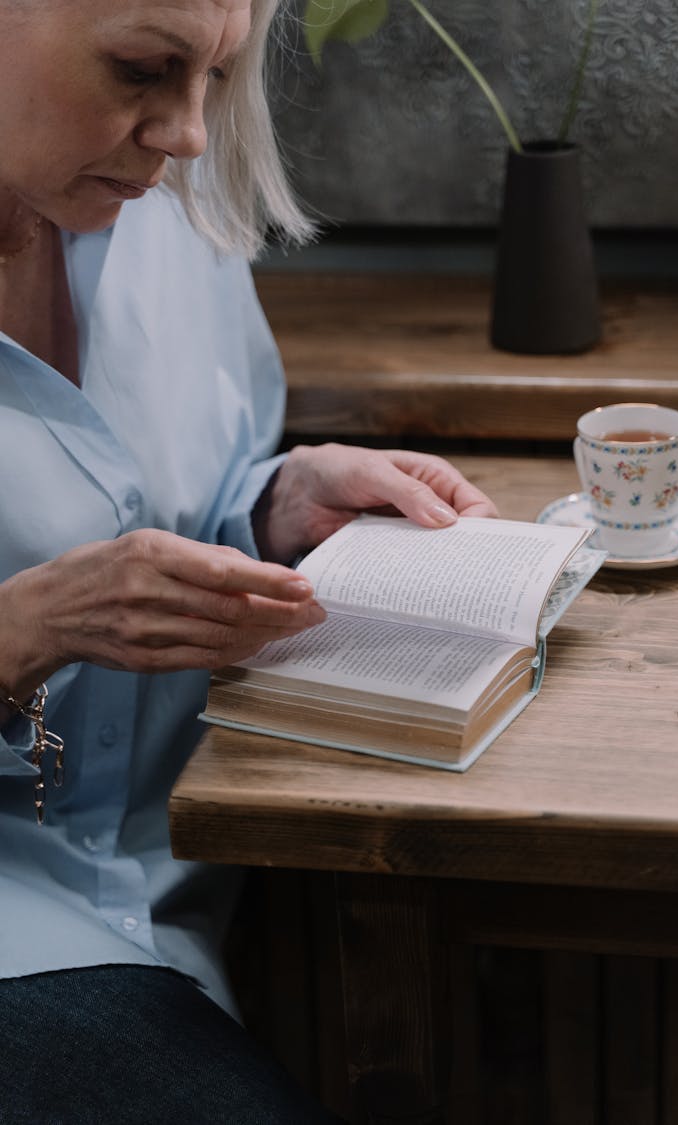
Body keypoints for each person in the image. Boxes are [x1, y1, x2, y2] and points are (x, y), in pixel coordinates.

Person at [0, 0, 498, 1121]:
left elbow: (156, 502)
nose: (187, 134)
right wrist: (21, 631)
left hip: (177, 915)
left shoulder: (164, 214)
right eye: (142, 68)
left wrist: (275, 502)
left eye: (216, 79)